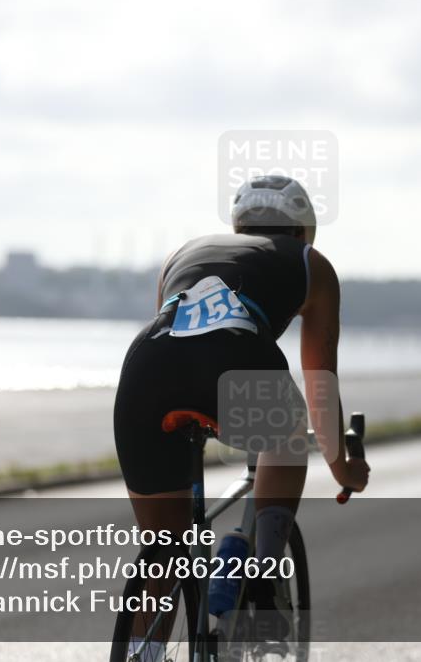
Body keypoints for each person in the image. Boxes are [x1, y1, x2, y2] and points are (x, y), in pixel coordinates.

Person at [113, 175, 370, 647]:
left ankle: (141, 652)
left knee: (165, 557)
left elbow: (181, 337)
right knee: (289, 432)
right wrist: (344, 469)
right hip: (236, 359)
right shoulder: (312, 263)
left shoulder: (182, 253)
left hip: (145, 368)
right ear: (302, 232)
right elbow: (320, 388)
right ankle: (265, 582)